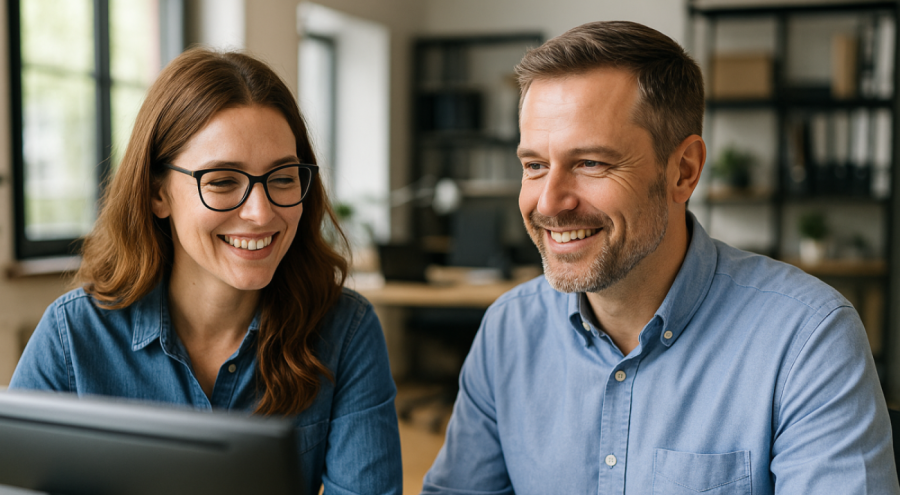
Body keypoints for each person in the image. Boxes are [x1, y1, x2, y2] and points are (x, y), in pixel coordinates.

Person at [422, 21, 898, 494]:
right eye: (534, 166)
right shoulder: (508, 330)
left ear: (683, 171)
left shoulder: (808, 338)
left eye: (591, 163)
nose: (548, 203)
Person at [11, 48, 402, 494]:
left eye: (283, 178)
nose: (260, 213)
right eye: (221, 181)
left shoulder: (345, 332)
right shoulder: (73, 336)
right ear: (159, 193)